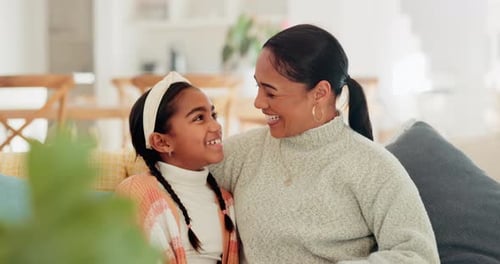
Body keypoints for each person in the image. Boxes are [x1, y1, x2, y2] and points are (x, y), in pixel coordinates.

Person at [209, 24, 440, 263]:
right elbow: (176, 173)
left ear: (320, 92)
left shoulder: (373, 167)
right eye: (258, 87)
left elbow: (419, 256)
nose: (258, 102)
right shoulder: (244, 153)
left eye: (271, 92)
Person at [116, 71, 238, 264]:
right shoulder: (137, 193)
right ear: (162, 142)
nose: (216, 126)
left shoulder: (226, 201)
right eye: (199, 118)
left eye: (213, 114)